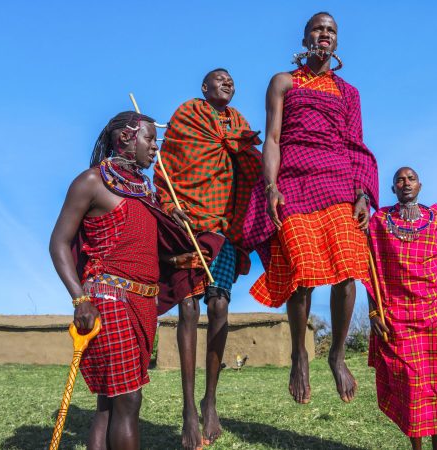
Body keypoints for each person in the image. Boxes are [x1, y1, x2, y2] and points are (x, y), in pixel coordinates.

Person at [49, 112, 218, 450]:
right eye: (150, 140)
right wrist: (80, 299)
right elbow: (58, 243)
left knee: (109, 404)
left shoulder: (145, 191)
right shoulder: (92, 182)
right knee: (128, 400)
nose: (156, 147)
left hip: (142, 304)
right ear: (125, 139)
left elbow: (140, 248)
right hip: (108, 300)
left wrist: (177, 244)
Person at [242, 12, 379, 404]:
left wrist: (363, 193)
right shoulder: (283, 82)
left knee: (349, 267)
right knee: (301, 271)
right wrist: (270, 187)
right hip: (295, 182)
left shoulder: (348, 92)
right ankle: (300, 351)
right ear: (305, 38)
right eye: (318, 29)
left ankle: (336, 353)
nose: (325, 34)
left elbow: (356, 145)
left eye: (331, 30)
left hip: (338, 182)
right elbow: (271, 138)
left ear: (336, 42)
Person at [154, 69, 262, 448]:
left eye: (232, 80)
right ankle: (187, 411)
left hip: (223, 226)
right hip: (186, 223)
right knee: (187, 309)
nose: (228, 83)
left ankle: (209, 401)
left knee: (219, 307)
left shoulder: (241, 124)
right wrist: (170, 206)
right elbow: (165, 170)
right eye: (219, 79)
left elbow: (252, 169)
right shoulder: (187, 116)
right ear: (204, 87)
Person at [365, 167, 437, 450]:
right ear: (393, 189)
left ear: (420, 186)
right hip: (397, 316)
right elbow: (370, 268)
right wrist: (374, 312)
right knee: (410, 386)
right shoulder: (380, 221)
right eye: (400, 179)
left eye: (411, 178)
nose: (406, 183)